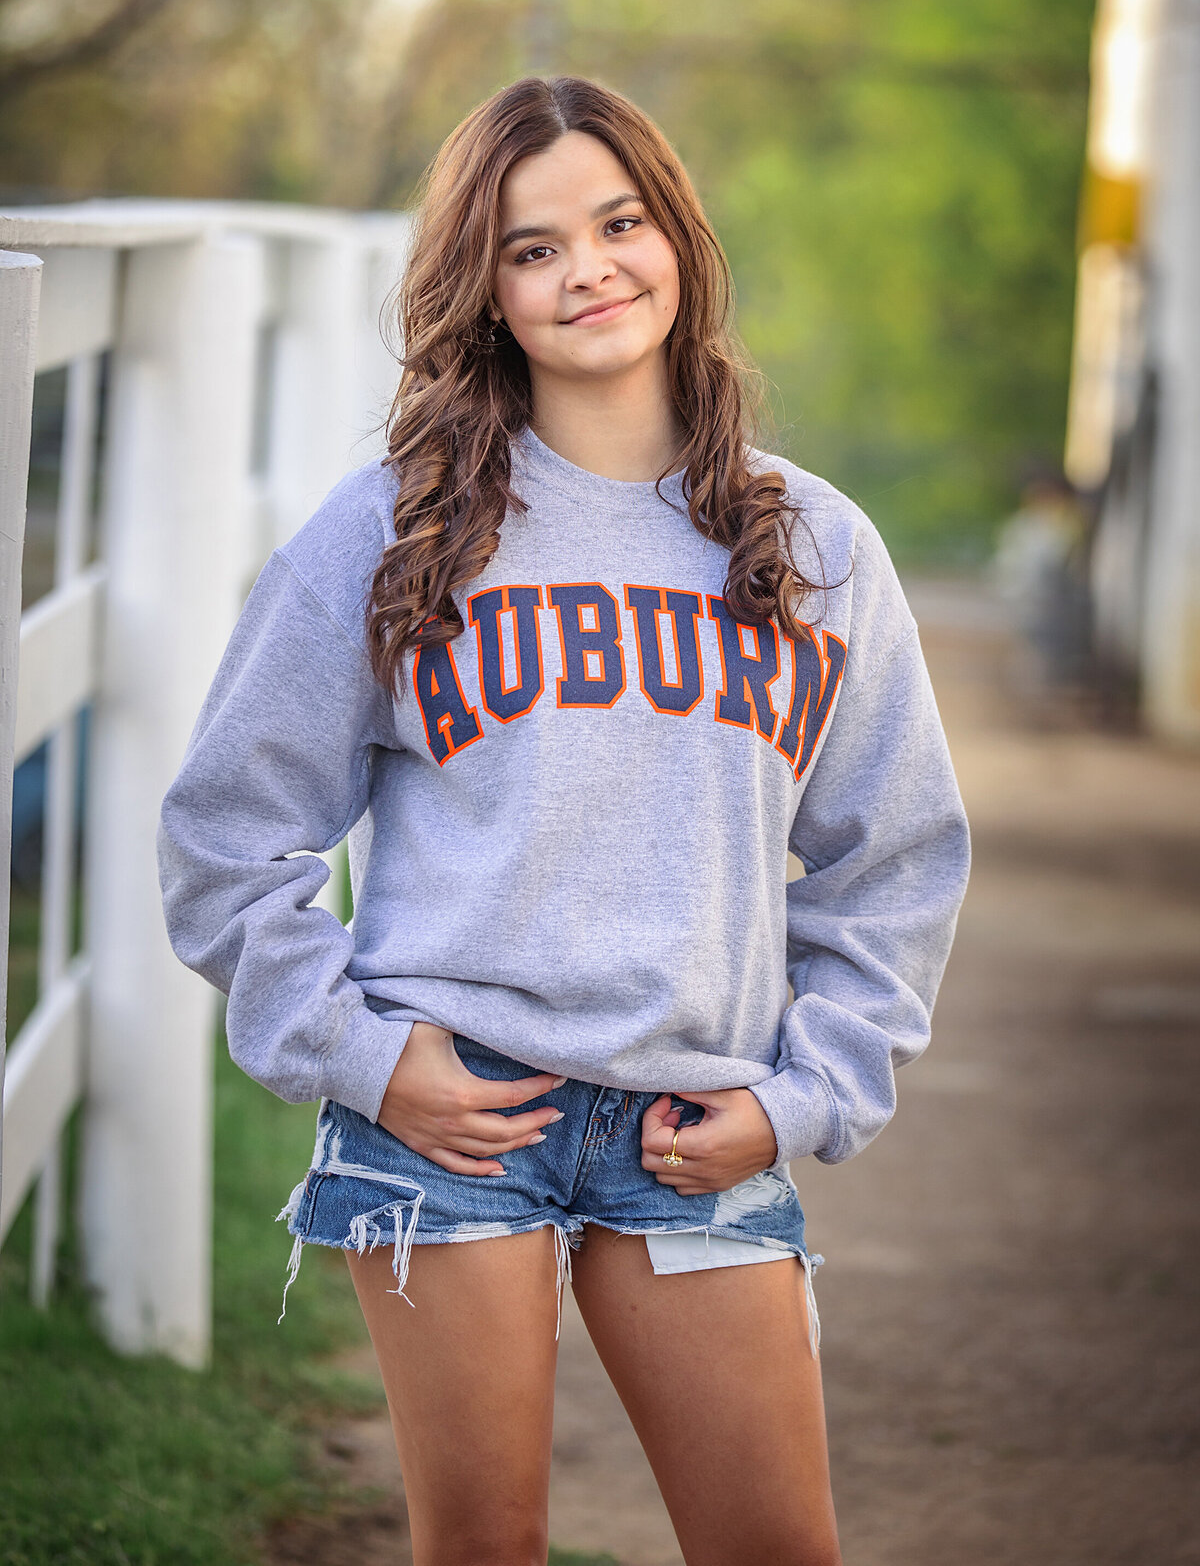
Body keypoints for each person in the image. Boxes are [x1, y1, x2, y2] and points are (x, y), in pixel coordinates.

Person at [158, 75, 970, 1566]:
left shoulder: (813, 544)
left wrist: (804, 1099)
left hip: (694, 1119)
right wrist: (364, 1050)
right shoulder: (399, 529)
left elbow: (896, 856)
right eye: (532, 248)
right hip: (451, 1118)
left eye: (618, 221)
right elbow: (227, 837)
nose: (587, 268)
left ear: (679, 238)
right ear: (485, 289)